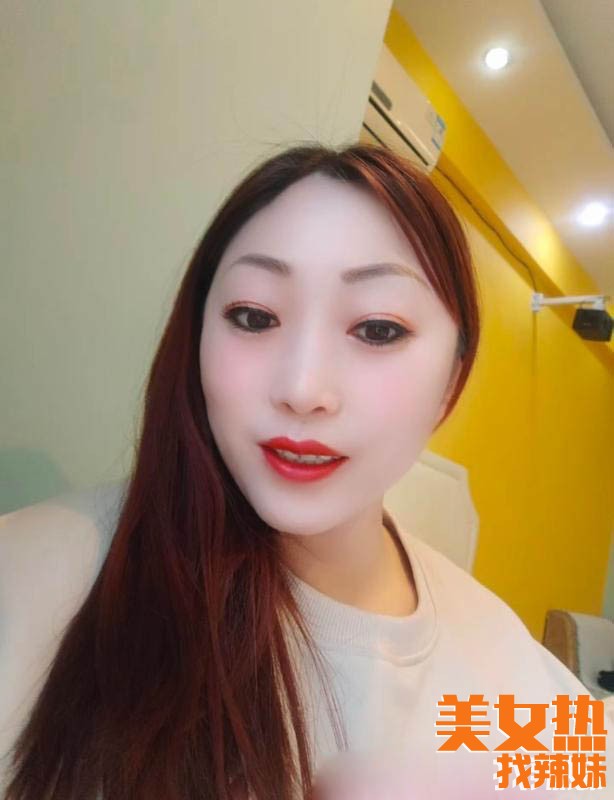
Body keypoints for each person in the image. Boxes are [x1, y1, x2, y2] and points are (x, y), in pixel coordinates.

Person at [1, 144, 611, 800]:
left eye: (377, 329)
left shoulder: (494, 649)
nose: (301, 389)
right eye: (254, 317)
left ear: (451, 380)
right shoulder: (33, 575)